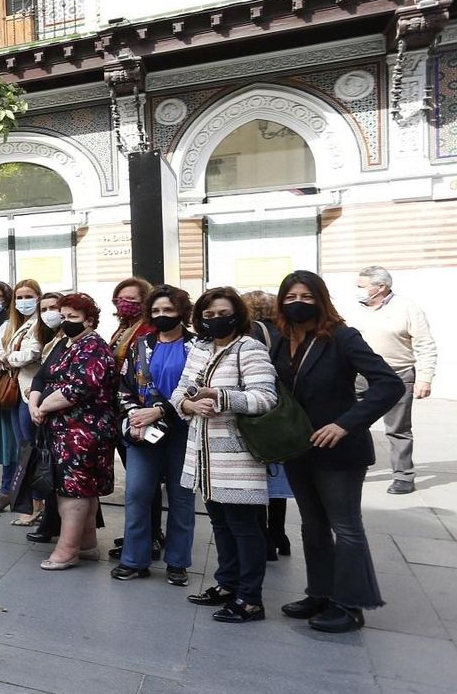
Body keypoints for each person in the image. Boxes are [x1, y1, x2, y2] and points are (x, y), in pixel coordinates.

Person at [272, 270, 404, 633]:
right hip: (299, 447)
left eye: (307, 297)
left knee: (345, 528)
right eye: (291, 297)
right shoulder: (282, 340)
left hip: (339, 450)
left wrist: (346, 423)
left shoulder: (343, 337)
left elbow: (388, 384)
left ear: (321, 299)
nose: (298, 303)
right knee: (313, 526)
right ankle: (320, 593)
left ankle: (350, 606)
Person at [170, 286, 277, 620]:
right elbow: (180, 392)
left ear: (237, 314)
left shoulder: (249, 348)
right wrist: (188, 403)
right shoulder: (199, 348)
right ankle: (227, 583)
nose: (216, 320)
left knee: (244, 527)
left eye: (222, 313)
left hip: (237, 457)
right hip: (204, 455)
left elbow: (265, 398)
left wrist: (221, 395)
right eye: (208, 315)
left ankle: (251, 598)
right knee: (220, 524)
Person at [29, 293, 118, 570]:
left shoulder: (93, 347)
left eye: (73, 318)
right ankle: (87, 543)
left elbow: (77, 387)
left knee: (73, 492)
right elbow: (45, 376)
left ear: (89, 320)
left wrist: (42, 407)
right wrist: (37, 401)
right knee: (83, 490)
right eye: (64, 317)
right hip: (67, 428)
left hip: (83, 430)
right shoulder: (68, 344)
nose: (67, 322)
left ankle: (67, 550)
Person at [114, 285, 195, 586]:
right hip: (143, 431)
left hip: (184, 431)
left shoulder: (197, 347)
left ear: (182, 312)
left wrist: (161, 412)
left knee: (181, 497)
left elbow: (198, 390)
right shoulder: (141, 346)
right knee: (136, 494)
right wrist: (135, 415)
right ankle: (135, 559)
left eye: (169, 310)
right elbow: (125, 387)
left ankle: (177, 562)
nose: (162, 316)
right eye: (157, 310)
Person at [350, 266, 437, 495]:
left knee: (398, 429)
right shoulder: (350, 309)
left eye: (362, 286)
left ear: (381, 288)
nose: (357, 290)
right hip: (359, 376)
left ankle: (403, 476)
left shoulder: (407, 308)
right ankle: (355, 468)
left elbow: (425, 344)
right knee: (353, 424)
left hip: (397, 376)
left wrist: (425, 378)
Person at [0, 280, 36, 513]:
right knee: (16, 444)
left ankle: (16, 492)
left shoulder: (19, 324)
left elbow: (2, 358)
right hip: (8, 389)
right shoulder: (4, 324)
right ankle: (13, 491)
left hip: (19, 390)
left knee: (20, 445)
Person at [243, 289, 292, 561]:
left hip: (259, 413)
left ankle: (264, 541)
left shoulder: (251, 334)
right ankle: (279, 536)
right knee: (277, 480)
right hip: (282, 414)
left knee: (259, 479)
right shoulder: (286, 332)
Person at [17, 292, 69, 534]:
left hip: (55, 408)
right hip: (36, 402)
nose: (50, 313)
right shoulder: (51, 337)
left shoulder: (69, 339)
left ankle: (52, 518)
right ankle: (45, 514)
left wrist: (40, 398)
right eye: (45, 308)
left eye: (54, 308)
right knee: (40, 458)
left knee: (51, 463)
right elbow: (42, 375)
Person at [109, 277, 154, 362]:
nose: (123, 303)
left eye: (131, 298)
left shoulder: (150, 330)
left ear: (145, 302)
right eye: (120, 299)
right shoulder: (121, 329)